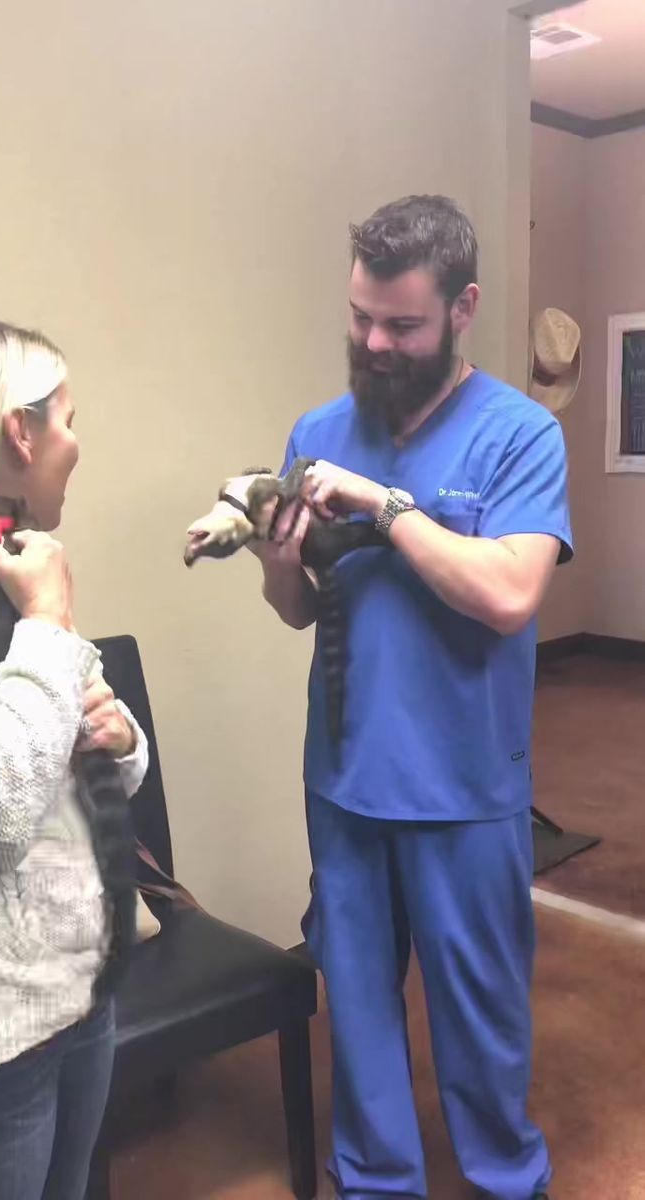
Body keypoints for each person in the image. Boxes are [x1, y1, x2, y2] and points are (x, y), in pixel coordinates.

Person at [254, 196, 571, 1200]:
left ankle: (505, 1178)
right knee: (357, 1012)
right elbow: (300, 609)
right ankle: (377, 1182)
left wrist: (387, 510)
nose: (374, 342)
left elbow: (511, 593)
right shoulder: (318, 429)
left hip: (466, 792)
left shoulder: (519, 437)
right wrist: (276, 562)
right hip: (345, 782)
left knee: (481, 1022)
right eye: (360, 317)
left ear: (463, 306)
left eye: (402, 324)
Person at [0, 316, 148, 1200]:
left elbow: (80, 755)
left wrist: (119, 739)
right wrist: (46, 622)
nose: (77, 443)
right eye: (68, 419)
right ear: (21, 430)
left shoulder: (15, 560)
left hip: (81, 985)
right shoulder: (27, 589)